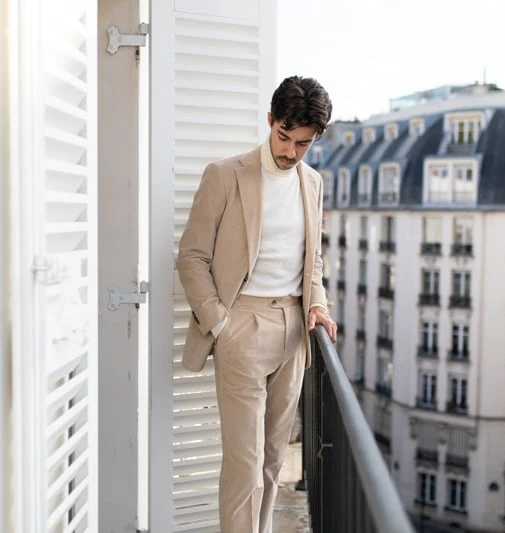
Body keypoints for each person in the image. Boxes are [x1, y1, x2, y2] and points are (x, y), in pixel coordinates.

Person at [177, 75, 337, 533]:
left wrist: (317, 304)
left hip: (293, 330)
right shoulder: (226, 175)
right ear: (270, 122)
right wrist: (220, 323)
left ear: (316, 138)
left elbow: (314, 259)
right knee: (244, 464)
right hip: (242, 324)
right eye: (283, 136)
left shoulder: (313, 183)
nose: (289, 151)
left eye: (302, 143)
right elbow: (191, 256)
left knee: (271, 461)